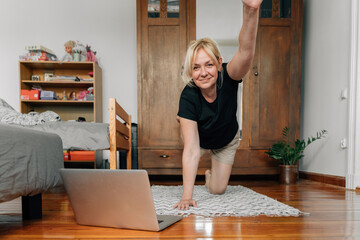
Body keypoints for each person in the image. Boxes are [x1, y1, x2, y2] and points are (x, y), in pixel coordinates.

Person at [174, 0, 262, 210]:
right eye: (195, 68)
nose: (203, 72)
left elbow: (246, 51)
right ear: (190, 71)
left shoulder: (229, 76)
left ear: (219, 63)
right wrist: (187, 196)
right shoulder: (188, 95)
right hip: (199, 139)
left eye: (209, 65)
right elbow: (192, 151)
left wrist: (251, 10)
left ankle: (209, 174)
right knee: (190, 141)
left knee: (218, 190)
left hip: (225, 139)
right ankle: (184, 122)